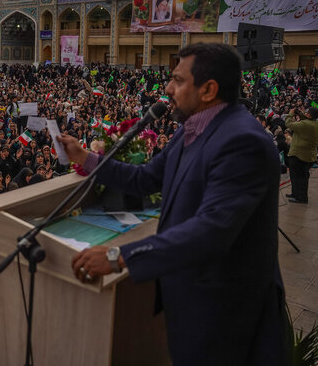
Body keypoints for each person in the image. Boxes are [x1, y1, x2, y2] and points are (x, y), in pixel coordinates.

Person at [58, 43, 290, 365]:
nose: (167, 89)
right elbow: (144, 179)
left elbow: (212, 231)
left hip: (228, 319)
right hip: (194, 306)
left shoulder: (243, 142)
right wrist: (85, 157)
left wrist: (119, 256)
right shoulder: (191, 129)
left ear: (208, 89)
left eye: (178, 80)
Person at [284, 106, 318, 203]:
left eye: (307, 112)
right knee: (298, 176)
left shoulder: (305, 124)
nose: (305, 113)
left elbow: (288, 123)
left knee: (299, 177)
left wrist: (291, 113)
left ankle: (301, 197)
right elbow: (306, 120)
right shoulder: (315, 123)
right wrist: (299, 113)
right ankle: (295, 193)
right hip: (308, 155)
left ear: (309, 115)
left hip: (299, 155)